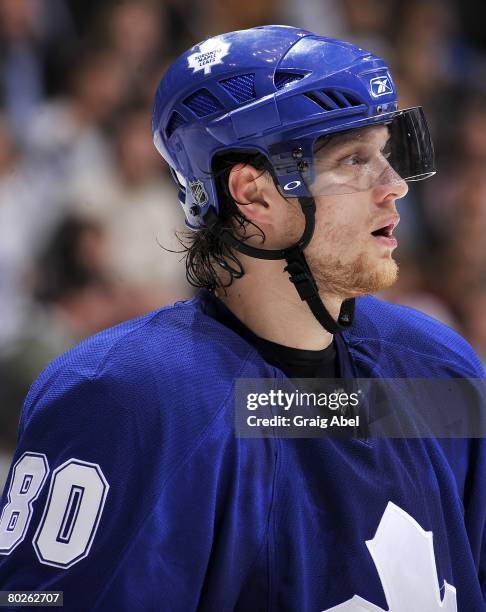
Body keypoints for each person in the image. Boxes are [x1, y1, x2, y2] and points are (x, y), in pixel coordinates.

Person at [0, 25, 485, 612]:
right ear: (252, 193)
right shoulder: (129, 400)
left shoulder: (439, 371)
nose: (394, 187)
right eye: (354, 160)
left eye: (385, 153)